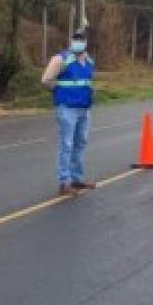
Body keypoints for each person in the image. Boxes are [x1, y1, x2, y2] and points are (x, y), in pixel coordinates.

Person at [41, 30, 96, 196]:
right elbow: (45, 80)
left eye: (81, 40)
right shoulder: (61, 59)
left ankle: (76, 178)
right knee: (67, 145)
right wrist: (59, 92)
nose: (78, 42)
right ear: (71, 41)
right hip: (67, 108)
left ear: (86, 42)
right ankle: (64, 182)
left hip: (83, 109)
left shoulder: (89, 61)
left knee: (80, 143)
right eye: (75, 39)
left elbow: (88, 81)